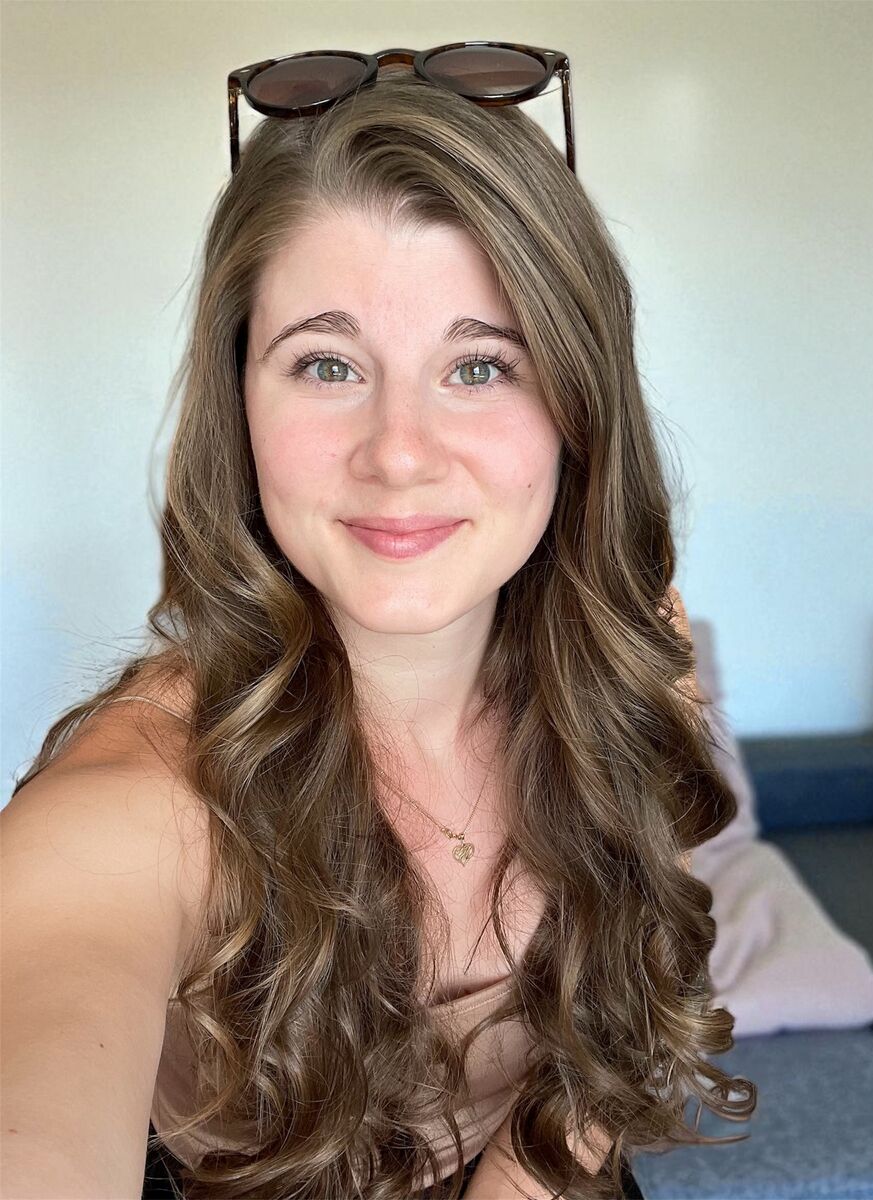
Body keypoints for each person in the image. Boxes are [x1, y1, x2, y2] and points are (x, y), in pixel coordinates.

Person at [1, 57, 756, 1200]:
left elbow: (631, 960)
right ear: (238, 400)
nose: (400, 453)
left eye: (480, 365)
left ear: (578, 406)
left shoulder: (636, 644)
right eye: (327, 363)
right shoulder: (134, 809)